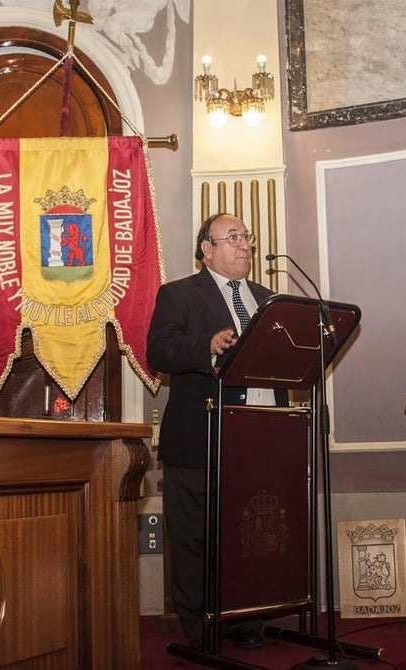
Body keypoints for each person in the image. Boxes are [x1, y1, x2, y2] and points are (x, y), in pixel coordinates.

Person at [146, 213, 278, 650]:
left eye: (247, 237)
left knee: (247, 537)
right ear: (207, 248)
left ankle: (244, 619)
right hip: (199, 438)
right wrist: (204, 346)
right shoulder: (180, 294)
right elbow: (159, 350)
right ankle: (200, 631)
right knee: (195, 540)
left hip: (259, 441)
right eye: (233, 237)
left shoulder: (269, 299)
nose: (245, 245)